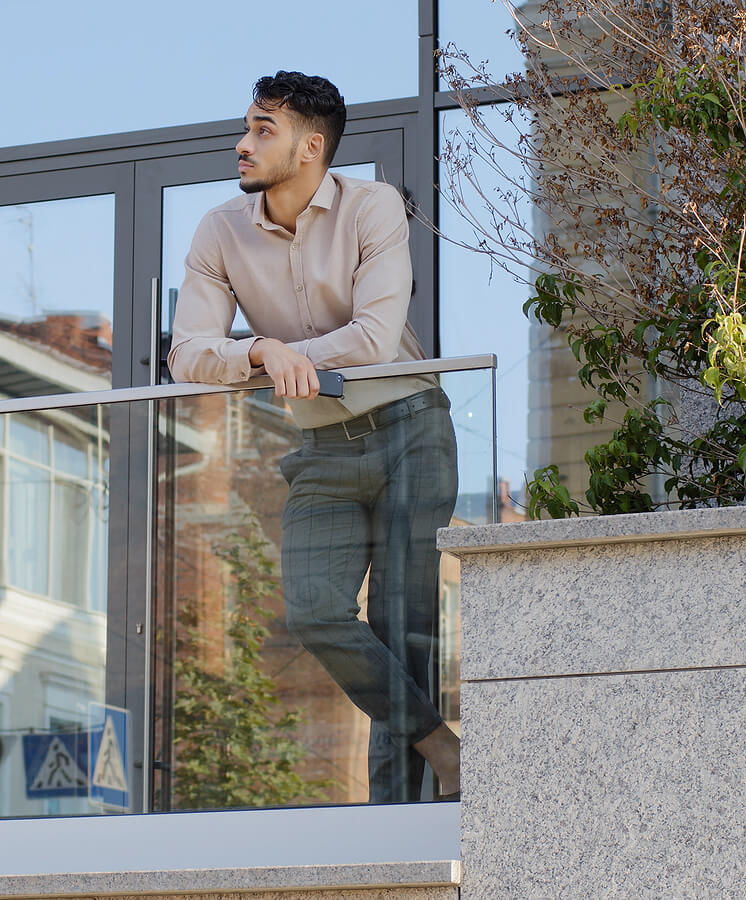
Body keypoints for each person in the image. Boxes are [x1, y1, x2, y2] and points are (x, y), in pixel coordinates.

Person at [167, 71, 461, 801]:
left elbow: (374, 337)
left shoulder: (373, 208)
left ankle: (400, 826)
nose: (242, 143)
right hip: (324, 450)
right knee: (315, 610)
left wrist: (296, 354)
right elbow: (186, 356)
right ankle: (444, 747)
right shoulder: (219, 231)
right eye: (246, 125)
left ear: (311, 148)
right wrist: (264, 352)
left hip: (410, 430)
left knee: (404, 628)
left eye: (263, 130)